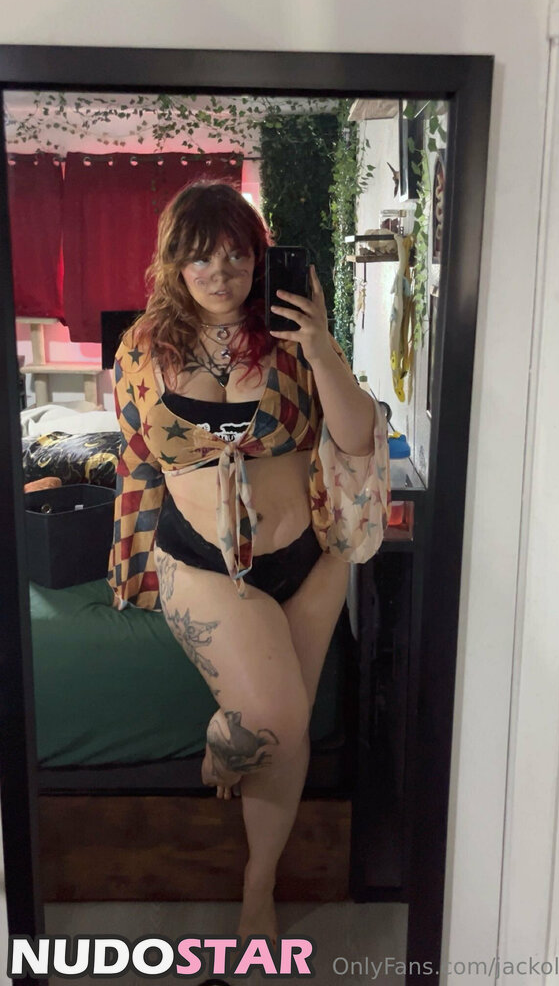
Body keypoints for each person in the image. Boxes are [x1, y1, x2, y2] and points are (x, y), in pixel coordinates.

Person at [108, 181, 389, 942]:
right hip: (203, 561)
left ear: (259, 259)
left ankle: (257, 887)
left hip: (308, 555)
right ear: (175, 261)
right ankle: (225, 742)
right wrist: (129, 554)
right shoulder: (141, 348)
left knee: (289, 731)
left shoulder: (291, 337)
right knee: (270, 717)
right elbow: (137, 457)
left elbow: (357, 437)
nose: (220, 273)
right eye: (202, 257)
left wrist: (322, 347)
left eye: (236, 255)